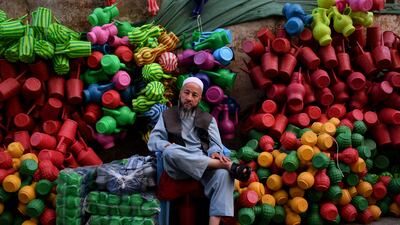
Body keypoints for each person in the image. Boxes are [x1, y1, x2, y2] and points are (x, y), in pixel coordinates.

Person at [147, 77, 251, 225]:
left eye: (194, 95)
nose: (189, 98)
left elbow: (216, 145)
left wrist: (215, 152)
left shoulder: (208, 119)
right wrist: (166, 146)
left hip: (205, 167)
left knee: (223, 174)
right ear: (180, 93)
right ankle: (224, 164)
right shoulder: (167, 115)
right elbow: (153, 141)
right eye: (186, 93)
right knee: (170, 152)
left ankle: (213, 222)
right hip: (178, 166)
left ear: (199, 98)